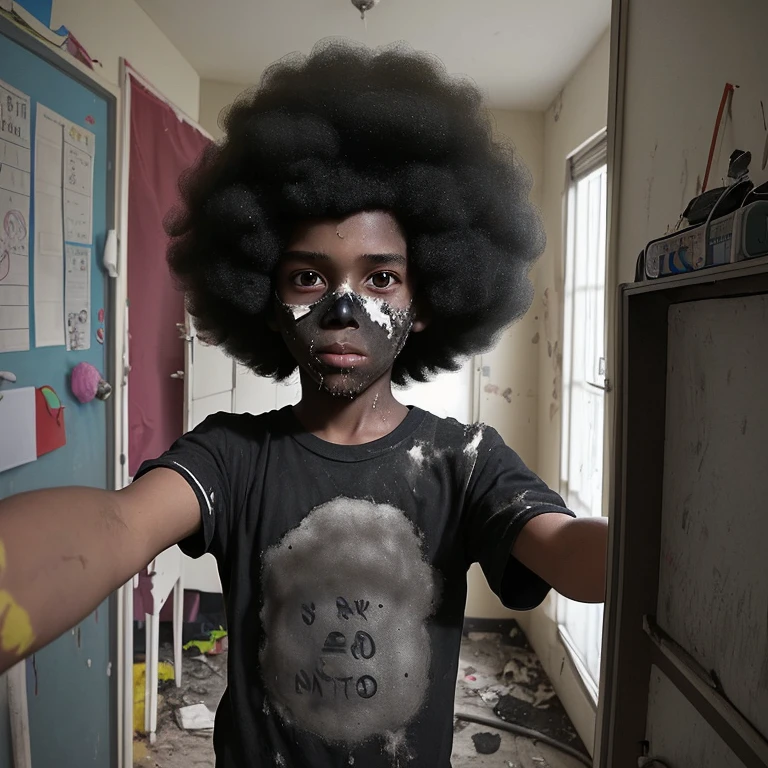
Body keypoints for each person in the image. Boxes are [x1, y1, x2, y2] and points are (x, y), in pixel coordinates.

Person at [0, 41, 608, 767]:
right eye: (310, 277)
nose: (344, 308)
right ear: (265, 292)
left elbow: (570, 554)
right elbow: (115, 523)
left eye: (381, 278)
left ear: (424, 303)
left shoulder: (466, 462)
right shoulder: (232, 458)